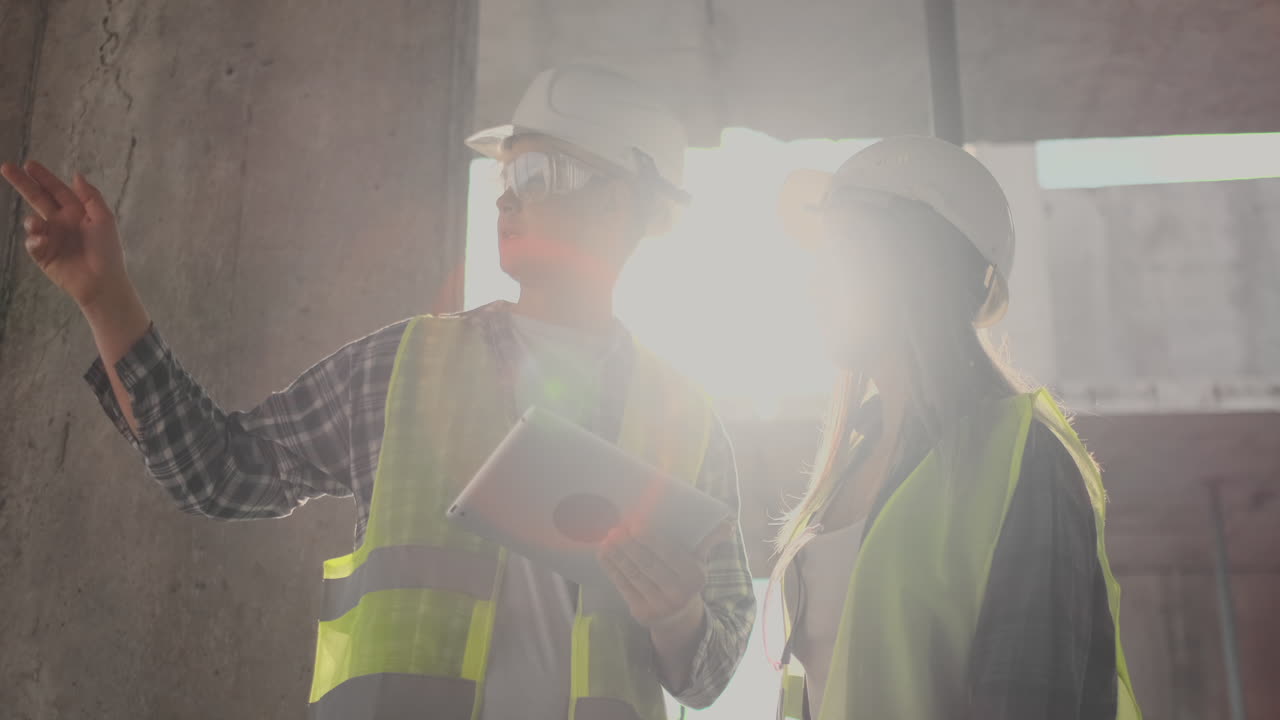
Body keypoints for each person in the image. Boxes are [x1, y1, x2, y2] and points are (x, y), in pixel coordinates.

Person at [1, 63, 755, 719]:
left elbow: (711, 671)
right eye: (505, 176)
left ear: (618, 204)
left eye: (536, 174)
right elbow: (217, 471)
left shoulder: (686, 421)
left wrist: (678, 616)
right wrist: (107, 299)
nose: (505, 200)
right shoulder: (401, 366)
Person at [768, 136, 1142, 720]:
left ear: (914, 264)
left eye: (840, 250)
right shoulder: (853, 464)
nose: (814, 282)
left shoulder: (1022, 462)